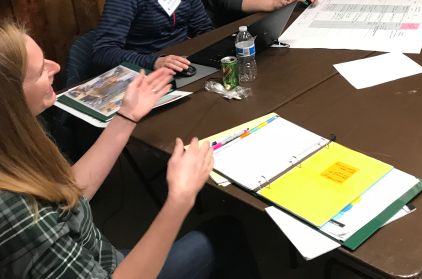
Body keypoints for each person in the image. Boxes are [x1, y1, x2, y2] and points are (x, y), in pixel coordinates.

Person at [0, 22, 259, 278]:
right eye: (39, 71)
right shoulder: (17, 213)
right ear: (10, 99)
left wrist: (127, 115)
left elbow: (67, 193)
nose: (56, 67)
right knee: (226, 235)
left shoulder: (14, 141)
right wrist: (180, 199)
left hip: (98, 257)